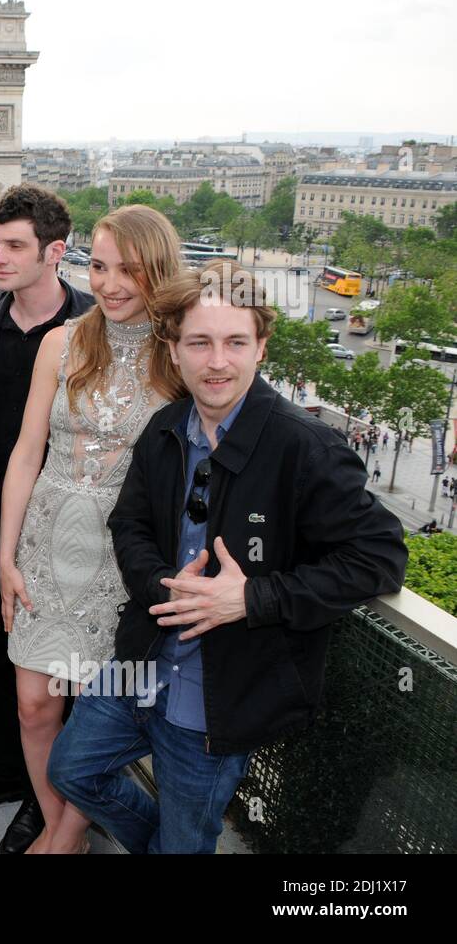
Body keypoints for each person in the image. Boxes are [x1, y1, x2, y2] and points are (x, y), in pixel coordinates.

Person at [48, 260, 408, 853]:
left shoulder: (307, 447)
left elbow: (379, 557)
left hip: (220, 699)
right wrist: (162, 582)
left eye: (236, 342)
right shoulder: (165, 429)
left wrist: (249, 597)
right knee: (73, 771)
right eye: (201, 342)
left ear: (261, 347)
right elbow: (129, 523)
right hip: (141, 664)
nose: (218, 362)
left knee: (188, 838)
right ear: (173, 348)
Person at [0, 204, 186, 854]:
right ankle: (62, 832)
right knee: (34, 706)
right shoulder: (61, 341)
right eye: (99, 266)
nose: (109, 283)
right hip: (46, 545)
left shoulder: (181, 357)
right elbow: (26, 453)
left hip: (121, 559)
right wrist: (5, 554)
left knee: (95, 722)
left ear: (157, 271)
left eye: (128, 270)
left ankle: (61, 839)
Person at [0, 184, 93, 853]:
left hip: (71, 535)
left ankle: (49, 802)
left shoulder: (94, 326)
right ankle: (4, 771)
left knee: (57, 676)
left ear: (54, 252)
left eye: (12, 246)